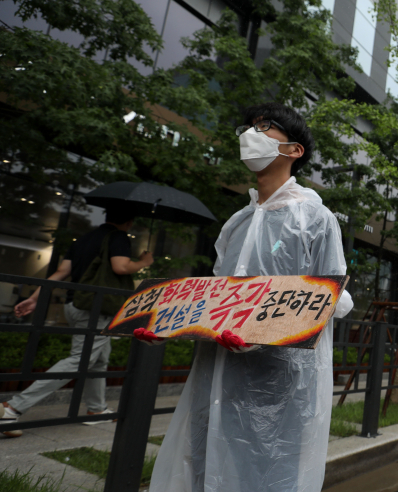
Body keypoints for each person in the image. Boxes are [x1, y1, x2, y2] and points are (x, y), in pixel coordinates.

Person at [140, 102, 354, 492]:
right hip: (216, 375)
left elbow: (333, 299)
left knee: (268, 472)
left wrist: (264, 330)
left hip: (278, 383)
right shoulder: (235, 223)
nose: (251, 135)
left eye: (265, 126)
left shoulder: (314, 218)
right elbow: (218, 297)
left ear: (294, 150)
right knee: (206, 467)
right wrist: (169, 322)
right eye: (248, 127)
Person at [1, 210, 153, 438]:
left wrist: (34, 298)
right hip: (95, 307)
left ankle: (96, 409)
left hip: (74, 305)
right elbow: (121, 267)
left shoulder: (84, 239)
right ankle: (12, 408)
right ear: (129, 222)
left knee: (98, 360)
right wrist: (143, 262)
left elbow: (61, 272)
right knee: (81, 359)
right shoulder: (119, 237)